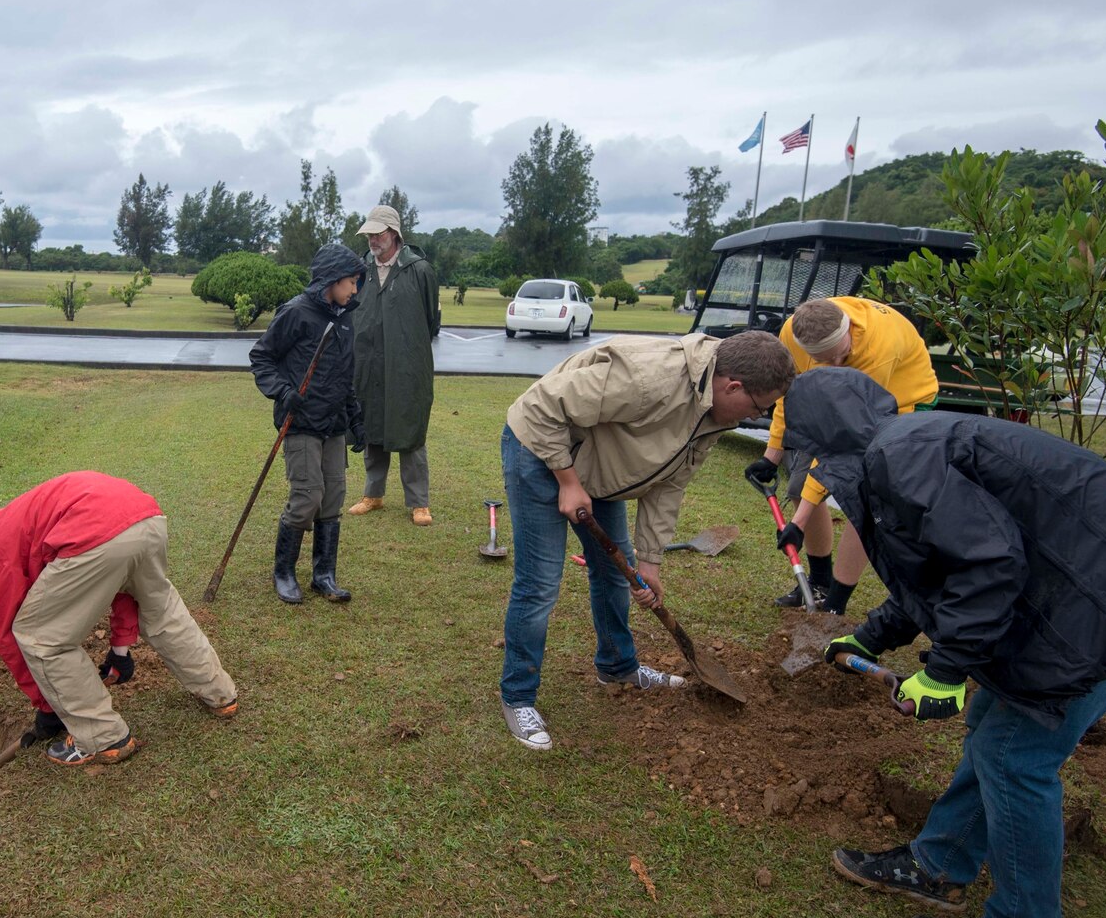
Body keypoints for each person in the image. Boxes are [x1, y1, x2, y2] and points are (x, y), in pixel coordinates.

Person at [783, 368, 1106, 918]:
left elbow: (988, 563)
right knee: (996, 729)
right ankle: (940, 863)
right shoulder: (907, 442)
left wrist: (944, 674)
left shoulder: (900, 457)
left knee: (1016, 756)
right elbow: (939, 564)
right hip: (1092, 587)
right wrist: (872, 635)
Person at [498, 330, 795, 751]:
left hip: (599, 465)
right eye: (757, 408)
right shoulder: (650, 378)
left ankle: (618, 667)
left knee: (617, 575)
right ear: (733, 386)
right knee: (541, 583)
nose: (753, 418)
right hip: (539, 447)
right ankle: (518, 696)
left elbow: (668, 485)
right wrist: (567, 479)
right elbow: (543, 406)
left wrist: (650, 564)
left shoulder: (713, 413)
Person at [0, 471, 238, 766]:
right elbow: (121, 583)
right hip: (145, 519)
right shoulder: (21, 520)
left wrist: (48, 707)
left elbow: (10, 636)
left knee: (39, 636)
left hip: (99, 534)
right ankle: (220, 694)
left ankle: (103, 738)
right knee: (162, 610)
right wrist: (120, 651)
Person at [744, 296, 937, 615]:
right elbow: (788, 397)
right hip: (841, 403)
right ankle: (819, 583)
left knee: (861, 501)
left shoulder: (877, 350)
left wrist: (799, 522)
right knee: (797, 488)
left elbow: (845, 444)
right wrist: (772, 456)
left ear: (848, 332)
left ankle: (836, 604)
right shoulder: (792, 333)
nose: (834, 367)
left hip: (900, 403)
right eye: (823, 361)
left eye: (840, 356)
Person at [249, 242, 366, 605]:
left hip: (333, 423)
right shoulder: (296, 313)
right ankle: (284, 572)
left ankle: (323, 575)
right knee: (307, 497)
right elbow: (262, 357)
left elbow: (344, 374)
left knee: (332, 497)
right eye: (350, 282)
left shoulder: (344, 317)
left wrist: (355, 417)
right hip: (299, 422)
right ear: (331, 280)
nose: (355, 290)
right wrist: (284, 392)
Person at [347, 205, 441, 527]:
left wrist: (407, 348)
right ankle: (373, 494)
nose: (373, 239)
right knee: (372, 424)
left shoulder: (420, 270)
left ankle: (419, 502)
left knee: (409, 428)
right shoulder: (361, 269)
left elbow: (431, 320)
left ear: (394, 234)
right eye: (370, 234)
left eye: (379, 233)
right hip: (368, 363)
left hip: (407, 365)